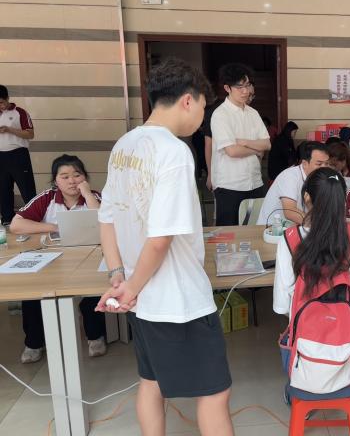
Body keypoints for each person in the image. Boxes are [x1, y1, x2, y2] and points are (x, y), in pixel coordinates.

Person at [95, 58, 233, 436]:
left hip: (141, 299)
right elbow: (160, 239)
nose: (202, 117)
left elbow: (107, 218)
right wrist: (131, 288)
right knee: (215, 393)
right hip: (178, 299)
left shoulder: (124, 145)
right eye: (203, 107)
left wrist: (121, 278)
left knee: (151, 382)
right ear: (188, 100)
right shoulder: (173, 151)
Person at [273, 167, 350, 395]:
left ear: (306, 197)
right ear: (342, 199)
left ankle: (303, 390)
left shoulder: (289, 239)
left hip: (304, 354)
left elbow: (282, 306)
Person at [10, 154, 106, 363]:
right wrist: (55, 227)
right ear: (56, 181)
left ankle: (95, 336)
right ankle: (34, 343)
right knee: (32, 296)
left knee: (92, 292)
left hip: (88, 258)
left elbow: (104, 222)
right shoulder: (47, 198)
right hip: (53, 260)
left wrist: (87, 193)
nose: (72, 181)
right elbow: (16, 225)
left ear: (85, 177)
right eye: (65, 176)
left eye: (77, 175)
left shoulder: (95, 197)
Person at [211, 63, 271, 226]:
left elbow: (267, 144)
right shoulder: (220, 115)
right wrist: (255, 149)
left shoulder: (253, 113)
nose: (246, 91)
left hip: (255, 182)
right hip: (230, 185)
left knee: (254, 231)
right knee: (229, 234)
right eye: (239, 87)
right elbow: (232, 151)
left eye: (248, 85)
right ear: (227, 88)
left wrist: (244, 143)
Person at [257, 141, 329, 225]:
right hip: (271, 228)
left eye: (327, 163)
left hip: (297, 227)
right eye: (319, 164)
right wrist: (319, 225)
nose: (324, 168)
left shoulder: (320, 178)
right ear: (304, 163)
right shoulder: (290, 176)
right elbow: (290, 212)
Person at [0, 84, 36, 225]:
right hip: (1, 156)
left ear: (7, 98)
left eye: (1, 102)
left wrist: (10, 130)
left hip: (18, 155)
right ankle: (7, 219)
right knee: (3, 188)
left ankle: (34, 217)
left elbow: (30, 134)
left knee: (27, 188)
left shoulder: (19, 112)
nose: (0, 106)